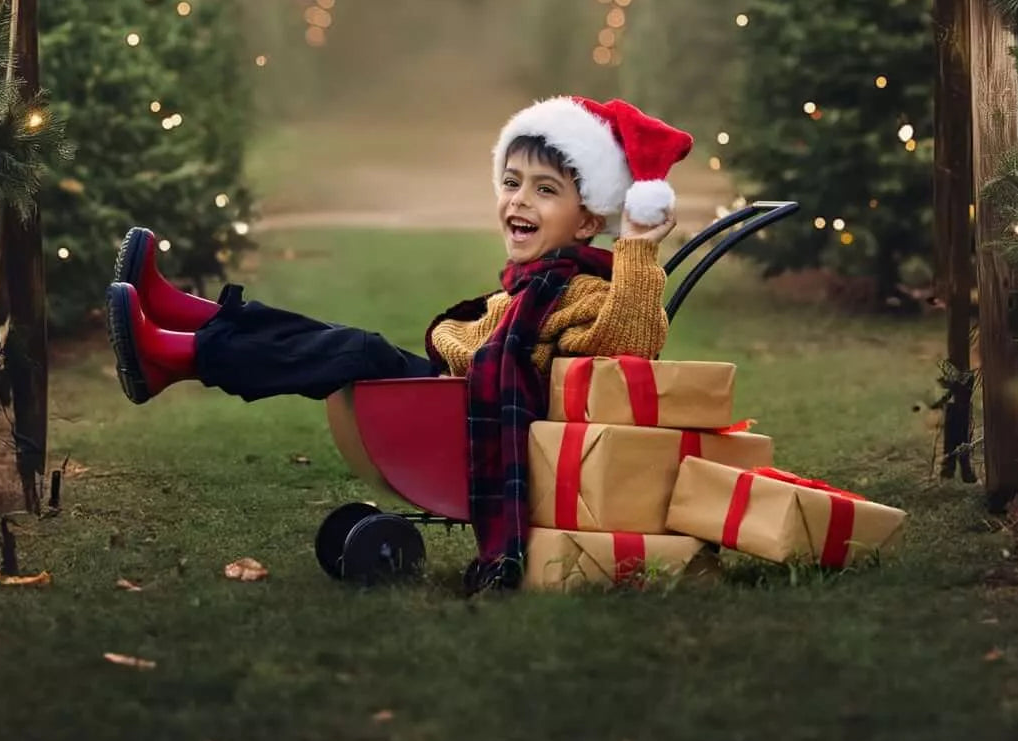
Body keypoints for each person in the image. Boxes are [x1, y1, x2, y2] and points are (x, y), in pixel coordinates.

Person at [105, 94, 693, 587]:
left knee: (359, 352)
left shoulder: (586, 291)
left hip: (483, 425)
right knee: (331, 340)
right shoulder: (534, 285)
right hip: (466, 402)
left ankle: (183, 352)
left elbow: (632, 342)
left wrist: (638, 246)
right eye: (512, 182)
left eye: (545, 191)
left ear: (589, 221)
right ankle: (189, 321)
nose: (518, 200)